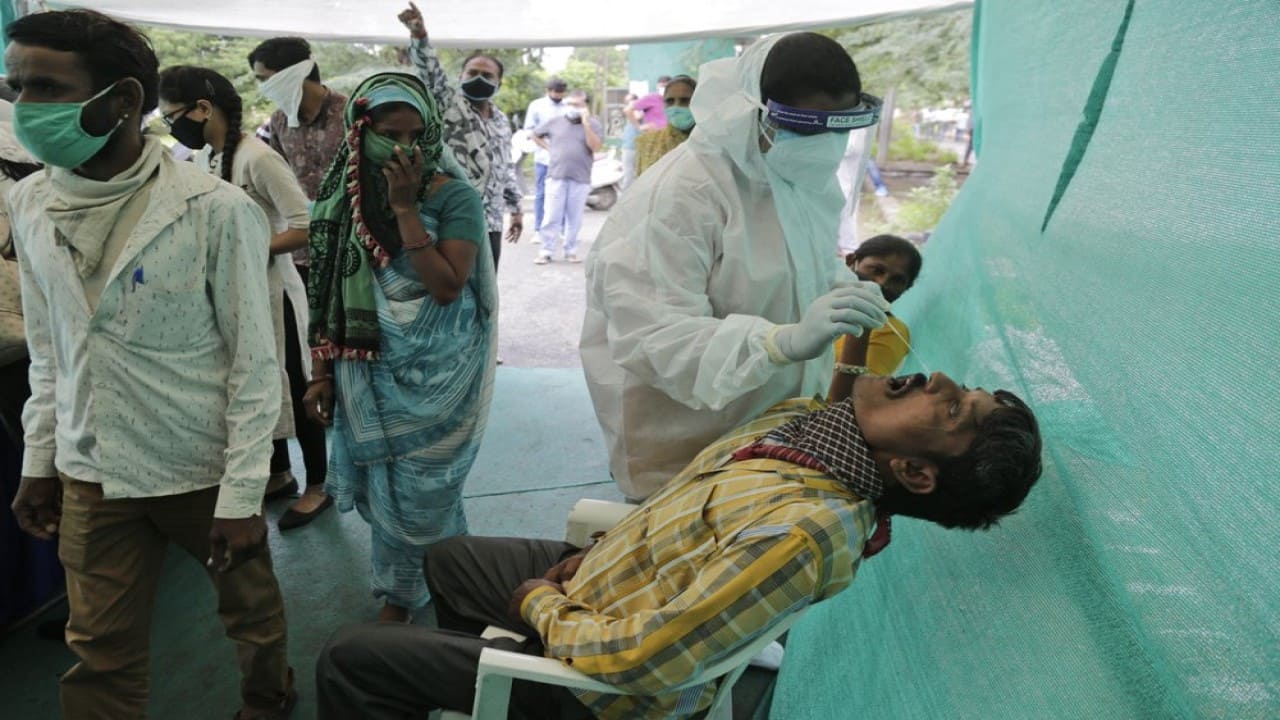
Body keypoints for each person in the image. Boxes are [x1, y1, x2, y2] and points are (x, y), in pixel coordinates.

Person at [314, 370, 1043, 720]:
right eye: (961, 387)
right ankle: (495, 689)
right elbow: (688, 505)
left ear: (915, 472)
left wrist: (546, 609)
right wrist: (605, 549)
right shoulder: (811, 439)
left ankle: (526, 683)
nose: (939, 379)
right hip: (605, 585)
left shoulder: (807, 530)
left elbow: (648, 663)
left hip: (606, 685)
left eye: (950, 409)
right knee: (451, 559)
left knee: (352, 660)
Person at [4, 9, 295, 718]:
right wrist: (39, 460)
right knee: (98, 647)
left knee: (250, 617)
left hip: (198, 466)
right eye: (15, 87)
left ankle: (269, 696)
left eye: (46, 87)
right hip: (90, 468)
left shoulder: (215, 211)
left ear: (126, 100)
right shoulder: (30, 203)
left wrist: (240, 497)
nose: (24, 109)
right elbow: (51, 353)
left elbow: (256, 366)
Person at [582, 33, 887, 500]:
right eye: (807, 126)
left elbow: (800, 260)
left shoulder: (795, 179)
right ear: (752, 110)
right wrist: (779, 342)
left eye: (838, 126)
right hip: (685, 449)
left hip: (774, 437)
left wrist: (838, 286)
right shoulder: (682, 195)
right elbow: (653, 337)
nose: (824, 144)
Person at [301, 72, 496, 624]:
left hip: (438, 374)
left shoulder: (453, 195)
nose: (405, 148)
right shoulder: (339, 200)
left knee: (427, 489)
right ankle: (425, 581)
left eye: (416, 135)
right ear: (360, 132)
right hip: (367, 371)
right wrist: (320, 373)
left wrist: (406, 208)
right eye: (390, 133)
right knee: (392, 491)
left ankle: (420, 589)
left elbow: (446, 284)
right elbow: (328, 293)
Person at [158, 65, 334, 530]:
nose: (170, 127)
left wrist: (244, 248)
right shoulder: (206, 158)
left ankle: (318, 485)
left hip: (275, 292)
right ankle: (279, 474)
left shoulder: (258, 157)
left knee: (295, 388)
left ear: (202, 108)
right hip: (236, 294)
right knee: (252, 383)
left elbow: (304, 226)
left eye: (171, 116)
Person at [248, 35, 343, 513]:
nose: (263, 89)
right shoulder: (279, 124)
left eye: (267, 78)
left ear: (298, 71)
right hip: (298, 262)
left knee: (338, 371)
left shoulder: (352, 115)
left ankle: (329, 481)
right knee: (300, 368)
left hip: (350, 263)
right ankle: (289, 474)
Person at [398, 2, 523, 271]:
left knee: (487, 292)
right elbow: (430, 72)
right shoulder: (450, 105)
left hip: (491, 222)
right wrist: (419, 35)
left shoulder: (501, 120)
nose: (479, 78)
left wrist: (516, 208)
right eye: (472, 73)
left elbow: (505, 166)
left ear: (498, 83)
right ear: (461, 76)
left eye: (487, 75)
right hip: (454, 217)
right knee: (455, 289)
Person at [830, 235, 923, 400]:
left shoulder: (891, 333)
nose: (882, 283)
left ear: (906, 288)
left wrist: (862, 325)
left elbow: (846, 401)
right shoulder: (815, 298)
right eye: (876, 270)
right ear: (851, 261)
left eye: (897, 280)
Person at [532, 90, 602, 265]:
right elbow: (535, 134)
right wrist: (549, 149)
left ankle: (571, 250)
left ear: (585, 106)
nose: (573, 108)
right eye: (570, 104)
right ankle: (546, 251)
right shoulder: (555, 122)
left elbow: (595, 146)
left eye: (578, 105)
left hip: (581, 177)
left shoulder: (594, 124)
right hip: (556, 175)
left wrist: (586, 124)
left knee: (575, 218)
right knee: (551, 216)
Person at [522, 76, 567, 235]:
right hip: (543, 157)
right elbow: (529, 130)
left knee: (561, 194)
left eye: (561, 93)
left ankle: (560, 229)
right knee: (541, 193)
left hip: (563, 159)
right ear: (548, 91)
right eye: (555, 92)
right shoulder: (537, 106)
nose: (557, 96)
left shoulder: (567, 107)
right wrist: (547, 146)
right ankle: (538, 229)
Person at [634, 74, 697, 176]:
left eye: (685, 100)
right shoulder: (648, 142)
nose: (676, 106)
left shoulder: (711, 144)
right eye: (670, 101)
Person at [619, 92, 641, 190]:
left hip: (636, 148)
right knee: (628, 176)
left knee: (633, 177)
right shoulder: (631, 113)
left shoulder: (640, 111)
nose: (628, 104)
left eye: (630, 101)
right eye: (626, 102)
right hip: (628, 147)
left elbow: (637, 116)